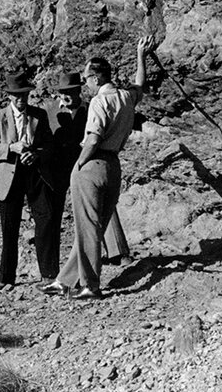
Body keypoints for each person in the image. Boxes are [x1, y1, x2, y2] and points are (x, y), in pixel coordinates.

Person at [42, 35, 155, 299]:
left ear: (96, 78)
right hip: (114, 165)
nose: (86, 84)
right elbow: (140, 83)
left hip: (91, 165)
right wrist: (141, 55)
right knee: (96, 224)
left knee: (88, 226)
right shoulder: (126, 97)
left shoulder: (98, 101)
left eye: (87, 78)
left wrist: (80, 163)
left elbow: (93, 138)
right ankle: (66, 280)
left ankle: (90, 285)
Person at [44, 72, 131, 280]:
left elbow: (95, 136)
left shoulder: (90, 107)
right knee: (52, 210)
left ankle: (118, 251)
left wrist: (82, 161)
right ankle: (52, 267)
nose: (67, 96)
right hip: (61, 166)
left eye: (71, 92)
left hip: (86, 164)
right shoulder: (51, 112)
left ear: (79, 91)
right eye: (63, 93)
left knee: (100, 210)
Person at [0, 72, 55, 289]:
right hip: (9, 175)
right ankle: (6, 277)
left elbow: (49, 145)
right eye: (16, 96)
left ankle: (48, 274)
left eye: (24, 95)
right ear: (9, 96)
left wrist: (37, 154)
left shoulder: (39, 115)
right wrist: (11, 148)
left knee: (45, 219)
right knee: (9, 226)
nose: (21, 100)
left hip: (35, 173)